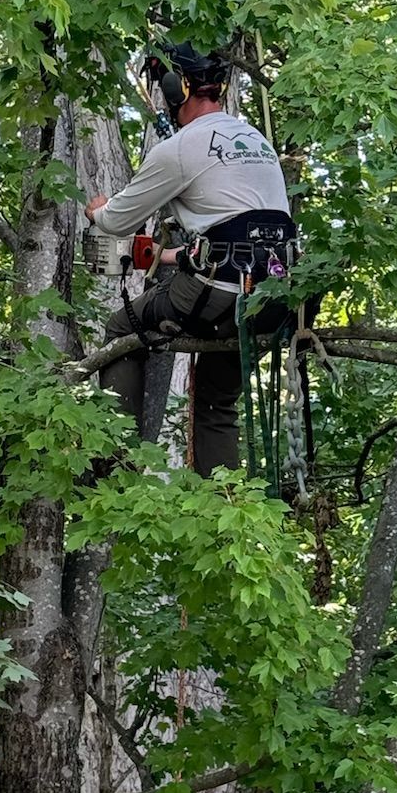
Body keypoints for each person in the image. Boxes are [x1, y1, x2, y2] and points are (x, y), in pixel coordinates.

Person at [85, 44, 298, 478]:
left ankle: (115, 463)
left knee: (123, 327)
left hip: (222, 292)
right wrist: (166, 256)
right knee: (218, 400)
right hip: (279, 292)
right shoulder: (255, 140)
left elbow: (116, 221)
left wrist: (97, 211)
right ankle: (223, 504)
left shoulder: (181, 149)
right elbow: (241, 231)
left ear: (173, 90)